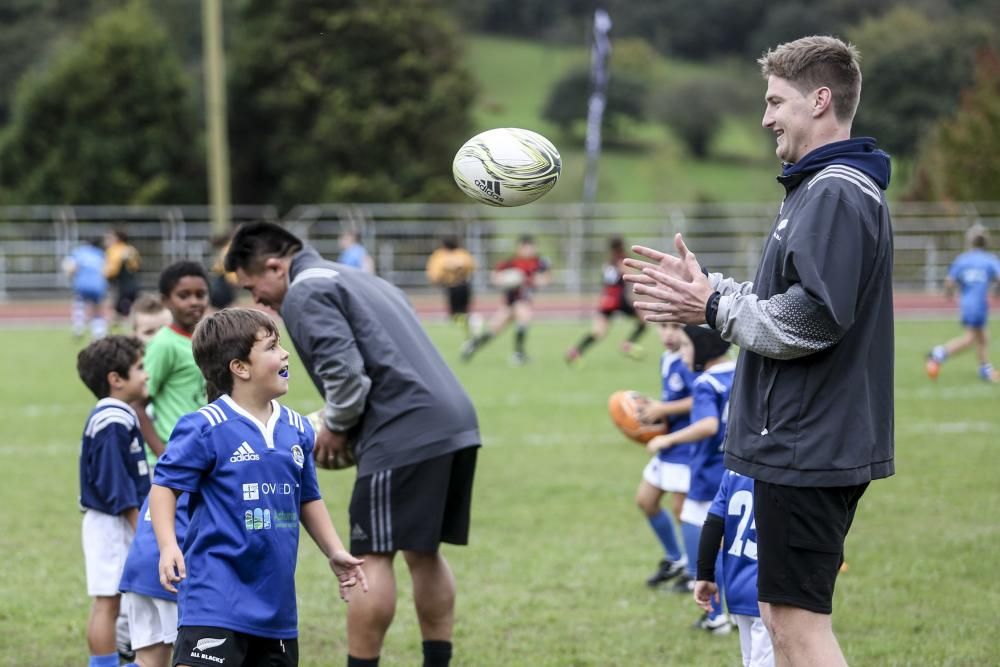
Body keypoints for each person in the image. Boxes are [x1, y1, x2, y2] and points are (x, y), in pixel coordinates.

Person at [625, 35, 894, 666]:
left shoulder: (835, 191)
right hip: (795, 439)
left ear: (820, 100)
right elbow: (787, 299)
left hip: (810, 441)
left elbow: (811, 320)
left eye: (776, 101)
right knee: (778, 618)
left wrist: (711, 309)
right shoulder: (814, 188)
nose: (766, 116)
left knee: (798, 626)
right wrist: (710, 290)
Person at [224, 222, 481, 667]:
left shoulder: (305, 291)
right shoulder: (359, 276)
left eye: (255, 288)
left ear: (274, 265)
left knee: (370, 555)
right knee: (424, 552)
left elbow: (345, 376)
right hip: (454, 421)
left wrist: (335, 427)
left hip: (403, 430)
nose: (258, 302)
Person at [150, 308, 366, 667]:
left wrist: (334, 550)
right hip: (214, 596)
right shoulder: (206, 426)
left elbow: (308, 497)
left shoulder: (297, 427)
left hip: (276, 606)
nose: (284, 354)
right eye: (271, 347)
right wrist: (168, 544)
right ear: (240, 367)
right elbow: (164, 486)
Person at [645, 325, 734, 633]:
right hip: (737, 472)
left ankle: (715, 618)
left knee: (705, 554)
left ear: (704, 348)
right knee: (736, 547)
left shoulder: (707, 383)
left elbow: (708, 424)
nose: (682, 354)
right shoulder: (741, 374)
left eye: (686, 346)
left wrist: (668, 440)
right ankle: (738, 612)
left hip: (708, 474)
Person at [76, 335, 151, 667]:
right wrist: (141, 526)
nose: (146, 374)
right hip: (111, 522)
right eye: (139, 368)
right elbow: (115, 483)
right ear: (116, 379)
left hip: (119, 519)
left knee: (122, 600)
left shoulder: (119, 414)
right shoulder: (112, 419)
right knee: (108, 602)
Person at [635, 323, 695, 588]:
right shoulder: (666, 357)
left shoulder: (690, 360)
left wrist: (663, 408)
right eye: (663, 327)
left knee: (683, 511)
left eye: (675, 327)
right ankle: (675, 559)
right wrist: (652, 409)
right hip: (667, 444)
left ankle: (695, 573)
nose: (668, 334)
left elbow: (699, 399)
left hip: (688, 445)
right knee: (646, 500)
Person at [695, 470, 775, 667]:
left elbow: (712, 524)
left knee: (751, 660)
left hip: (737, 585)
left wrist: (704, 575)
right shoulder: (786, 472)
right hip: (771, 589)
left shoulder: (734, 472)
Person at [136, 262, 209, 466]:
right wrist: (165, 456)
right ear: (166, 300)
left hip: (202, 454)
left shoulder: (209, 339)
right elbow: (138, 405)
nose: (194, 302)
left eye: (200, 294)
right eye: (184, 296)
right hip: (176, 457)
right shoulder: (164, 343)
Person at [118, 492, 190, 667]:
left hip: (139, 568)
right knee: (195, 659)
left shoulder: (167, 470)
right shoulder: (205, 467)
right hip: (173, 572)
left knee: (146, 661)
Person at [460, 234, 551, 365]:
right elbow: (495, 277)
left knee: (517, 319)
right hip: (511, 301)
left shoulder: (539, 262)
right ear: (519, 248)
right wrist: (507, 280)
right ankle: (474, 346)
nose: (529, 250)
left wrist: (532, 280)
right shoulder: (511, 262)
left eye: (531, 247)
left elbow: (546, 279)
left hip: (523, 300)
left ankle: (517, 354)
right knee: (495, 329)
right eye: (526, 247)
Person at [926, 224, 1000, 382]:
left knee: (982, 336)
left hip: (966, 303)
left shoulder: (963, 260)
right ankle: (939, 354)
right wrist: (996, 291)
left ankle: (985, 369)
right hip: (979, 304)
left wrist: (949, 294)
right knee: (971, 338)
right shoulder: (989, 259)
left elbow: (949, 282)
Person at [565, 237, 647, 364]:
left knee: (598, 332)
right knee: (643, 321)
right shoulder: (622, 259)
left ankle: (577, 351)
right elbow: (630, 275)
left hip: (607, 300)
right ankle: (627, 344)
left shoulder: (608, 263)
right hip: (619, 300)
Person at [425, 235, 478, 337]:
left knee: (455, 314)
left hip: (452, 287)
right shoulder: (463, 253)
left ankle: (467, 327)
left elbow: (434, 275)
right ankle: (468, 327)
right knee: (463, 311)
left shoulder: (440, 255)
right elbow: (472, 267)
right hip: (464, 285)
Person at [63, 237, 109, 339]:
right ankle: (99, 332)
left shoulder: (79, 252)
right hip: (98, 284)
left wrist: (71, 277)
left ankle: (78, 328)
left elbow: (70, 267)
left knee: (79, 304)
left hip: (82, 284)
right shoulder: (100, 253)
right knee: (97, 308)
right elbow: (106, 270)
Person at [104, 229, 142, 327]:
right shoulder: (131, 249)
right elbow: (137, 266)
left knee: (117, 313)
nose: (107, 240)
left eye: (110, 238)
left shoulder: (114, 250)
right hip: (133, 285)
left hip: (121, 287)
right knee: (129, 311)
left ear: (117, 239)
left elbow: (111, 271)